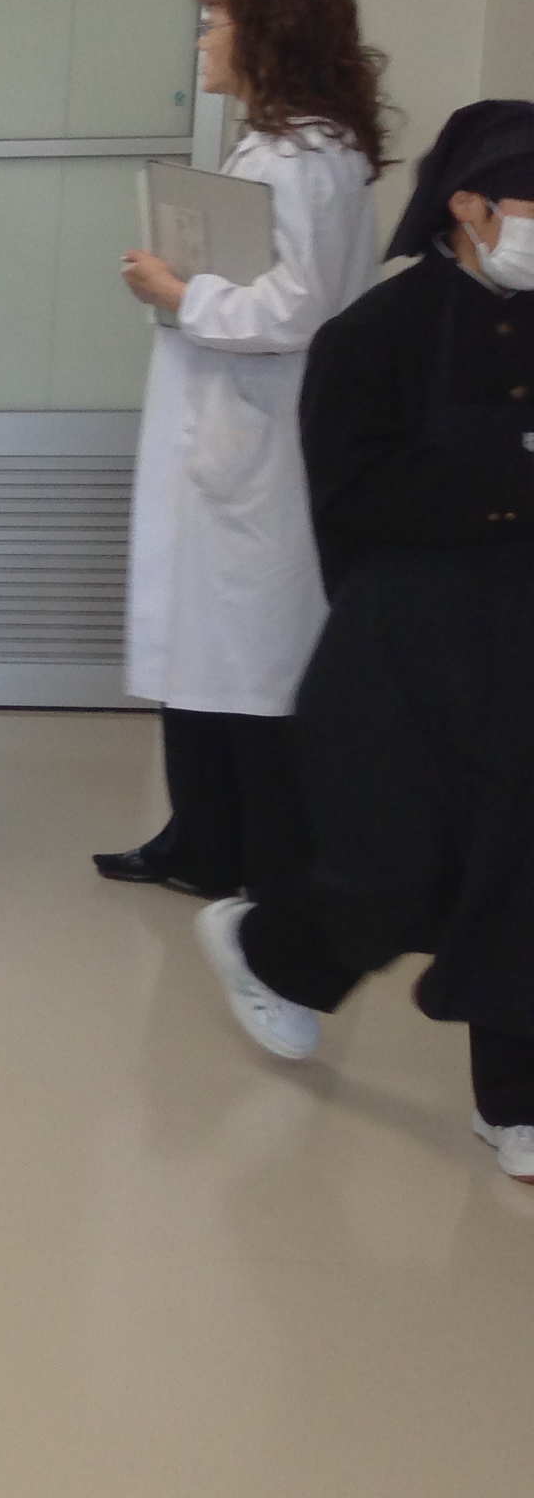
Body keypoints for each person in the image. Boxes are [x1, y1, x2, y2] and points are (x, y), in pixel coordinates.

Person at [191, 101, 534, 1182]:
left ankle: (515, 1102)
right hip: (406, 635)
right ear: (469, 207)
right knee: (395, 866)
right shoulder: (377, 333)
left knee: (519, 864)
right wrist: (506, 485)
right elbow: (351, 493)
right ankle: (270, 951)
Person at [95, 0, 387, 905]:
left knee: (251, 664)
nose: (201, 41)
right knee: (208, 651)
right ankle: (203, 838)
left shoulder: (305, 157)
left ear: (266, 31)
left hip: (258, 442)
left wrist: (179, 291)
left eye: (213, 21)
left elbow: (296, 306)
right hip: (231, 429)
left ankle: (260, 865)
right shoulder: (281, 147)